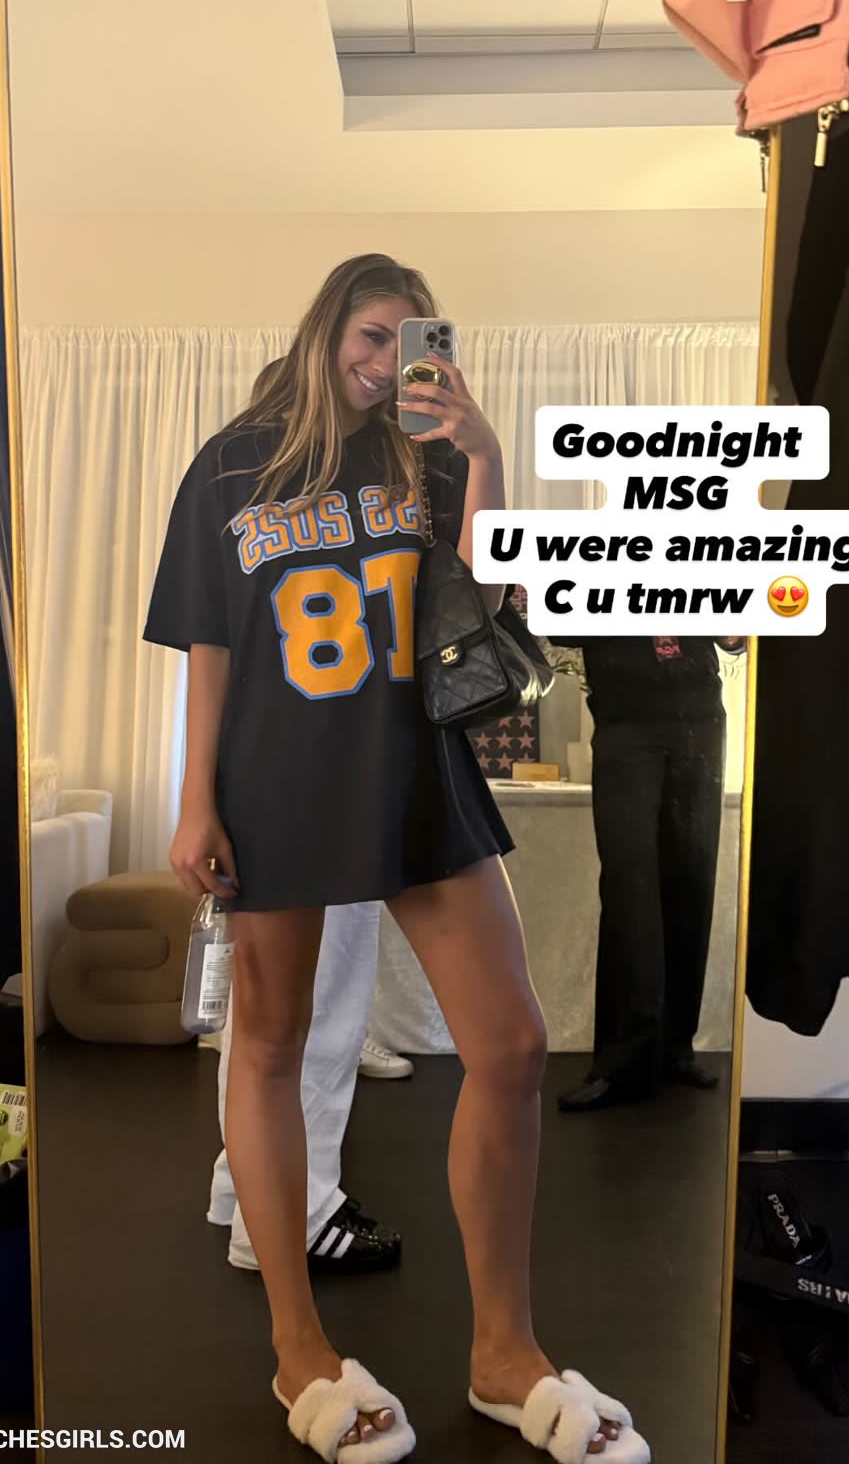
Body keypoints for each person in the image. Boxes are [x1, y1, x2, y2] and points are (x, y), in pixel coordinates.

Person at [145, 255, 643, 1460]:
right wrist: (194, 799)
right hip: (275, 778)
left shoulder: (424, 456)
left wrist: (486, 455)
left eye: (409, 340)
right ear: (328, 328)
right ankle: (298, 1350)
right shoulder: (230, 464)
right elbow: (210, 647)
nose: (385, 360)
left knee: (509, 1043)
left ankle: (502, 1351)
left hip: (413, 766)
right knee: (268, 1047)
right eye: (371, 334)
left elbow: (492, 599)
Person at [205, 359, 406, 1277]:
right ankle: (295, 1210)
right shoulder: (323, 513)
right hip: (327, 786)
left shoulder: (246, 506)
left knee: (258, 1029)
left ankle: (239, 1193)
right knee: (316, 1018)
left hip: (262, 785)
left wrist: (204, 799)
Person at [559, 635, 746, 1116]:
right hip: (626, 716)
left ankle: (675, 1047)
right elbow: (561, 627)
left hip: (700, 715)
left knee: (693, 879)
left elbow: (734, 637)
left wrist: (735, 630)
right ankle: (621, 1060)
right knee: (629, 886)